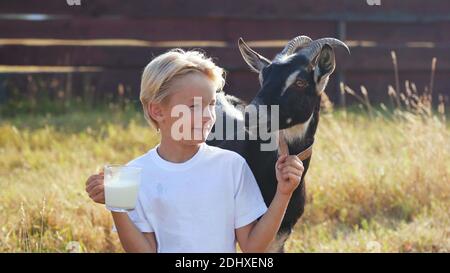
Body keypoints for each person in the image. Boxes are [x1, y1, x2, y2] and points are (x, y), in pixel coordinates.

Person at [85, 49, 304, 253]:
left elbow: (252, 247)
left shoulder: (232, 166)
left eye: (211, 104)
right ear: (157, 111)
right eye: (194, 107)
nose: (208, 115)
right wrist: (117, 205)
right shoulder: (134, 173)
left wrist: (283, 193)